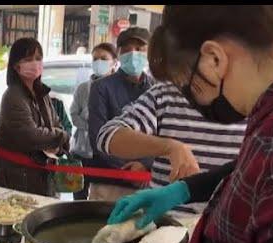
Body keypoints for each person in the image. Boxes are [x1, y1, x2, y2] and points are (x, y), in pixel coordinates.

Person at [107, 5, 273, 243]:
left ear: (214, 58)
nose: (199, 104)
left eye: (193, 86)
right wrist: (185, 189)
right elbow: (249, 168)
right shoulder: (267, 110)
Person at [96, 76, 246, 220]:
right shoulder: (166, 94)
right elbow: (108, 136)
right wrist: (169, 146)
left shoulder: (257, 104)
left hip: (225, 229)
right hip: (164, 226)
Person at [0, 38, 70, 197]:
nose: (35, 64)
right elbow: (30, 136)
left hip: (42, 177)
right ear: (16, 65)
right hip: (17, 179)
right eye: (28, 59)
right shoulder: (13, 96)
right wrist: (60, 136)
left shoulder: (42, 93)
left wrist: (57, 139)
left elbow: (57, 124)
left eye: (38, 59)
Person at [87, 27, 154, 201]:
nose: (133, 54)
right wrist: (127, 170)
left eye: (139, 49)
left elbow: (165, 133)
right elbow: (97, 137)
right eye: (127, 49)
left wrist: (144, 165)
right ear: (118, 53)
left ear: (150, 52)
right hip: (108, 184)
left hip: (146, 184)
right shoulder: (101, 88)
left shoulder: (157, 88)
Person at [70, 42, 118, 200]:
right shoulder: (83, 88)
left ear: (114, 63)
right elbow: (74, 114)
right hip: (82, 151)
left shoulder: (118, 88)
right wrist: (93, 129)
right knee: (79, 197)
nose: (99, 62)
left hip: (108, 155)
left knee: (103, 198)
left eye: (104, 58)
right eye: (95, 58)